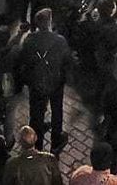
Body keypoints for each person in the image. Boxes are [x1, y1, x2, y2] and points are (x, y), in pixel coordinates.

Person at [15, 9, 71, 155]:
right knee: (57, 111)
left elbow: (23, 60)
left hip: (36, 84)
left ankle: (37, 144)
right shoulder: (60, 41)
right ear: (50, 22)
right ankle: (55, 142)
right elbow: (67, 62)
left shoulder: (30, 40)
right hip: (56, 83)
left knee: (36, 114)